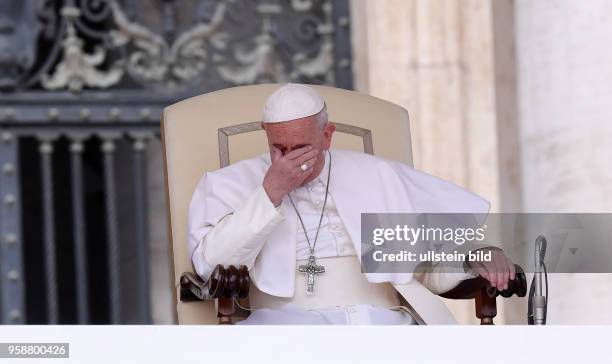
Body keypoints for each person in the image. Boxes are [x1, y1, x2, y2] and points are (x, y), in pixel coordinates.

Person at [187, 83, 515, 324]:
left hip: (381, 322)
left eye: (301, 147)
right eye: (278, 148)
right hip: (286, 325)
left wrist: (475, 256)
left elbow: (427, 266)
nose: (289, 160)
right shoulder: (229, 183)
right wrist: (269, 193)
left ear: (327, 135)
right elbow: (211, 265)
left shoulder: (378, 175)